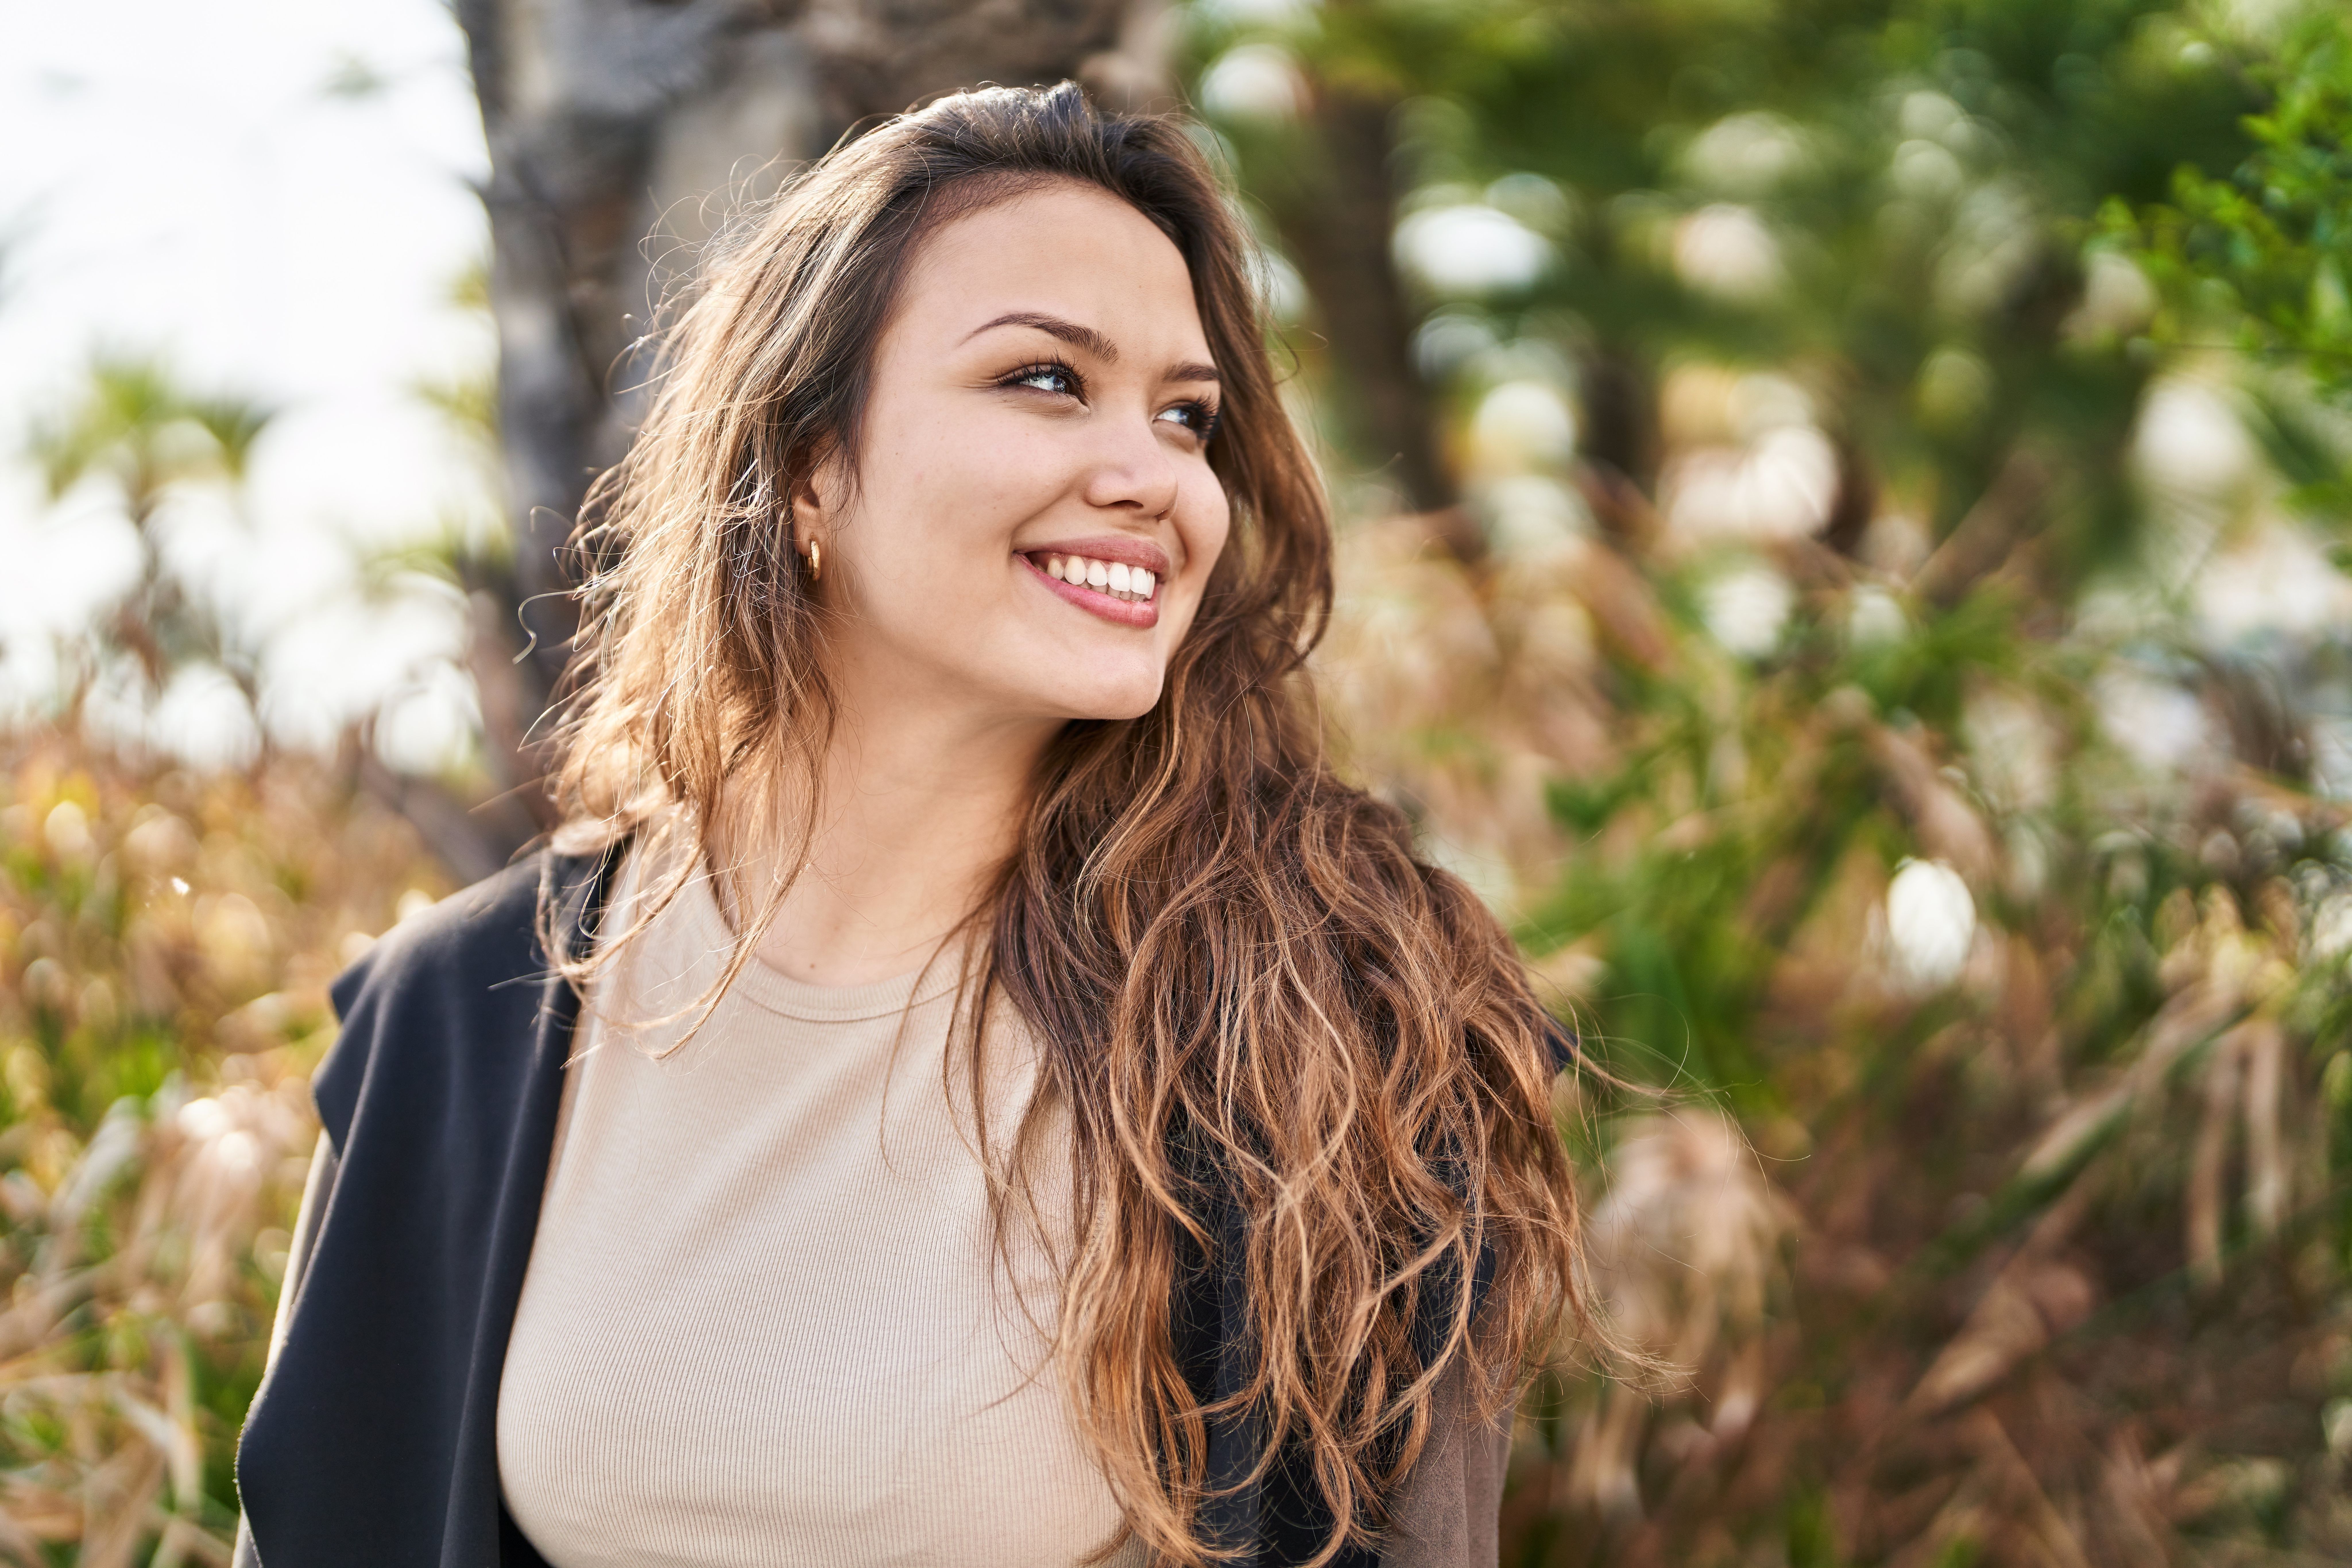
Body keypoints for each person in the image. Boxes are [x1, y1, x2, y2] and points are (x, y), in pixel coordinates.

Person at [233, 82, 1587, 1568]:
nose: (1154, 477)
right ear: (810, 461)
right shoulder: (459, 1016)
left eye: (1186, 415)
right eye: (1048, 381)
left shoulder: (1338, 1019)